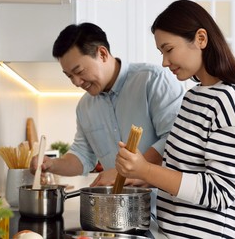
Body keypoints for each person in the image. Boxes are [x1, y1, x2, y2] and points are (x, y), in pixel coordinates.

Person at [115, 0, 235, 238]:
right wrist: (145, 177)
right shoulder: (194, 97)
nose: (164, 62)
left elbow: (219, 192)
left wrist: (146, 170)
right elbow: (185, 172)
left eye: (168, 49)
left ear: (201, 39)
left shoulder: (231, 100)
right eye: (161, 53)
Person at [30, 22, 185, 188]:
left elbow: (173, 138)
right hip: (119, 209)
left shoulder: (152, 80)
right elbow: (82, 155)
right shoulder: (85, 107)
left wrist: (125, 172)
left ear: (102, 54)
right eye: (69, 76)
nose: (76, 82)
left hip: (163, 207)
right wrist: (51, 164)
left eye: (79, 71)